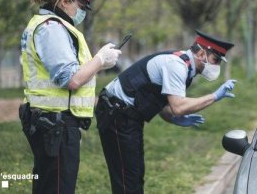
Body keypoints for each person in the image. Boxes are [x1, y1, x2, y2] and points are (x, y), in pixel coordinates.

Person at [95, 30, 237, 193]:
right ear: (201, 53)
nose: (217, 65)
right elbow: (178, 106)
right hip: (117, 114)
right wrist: (214, 96)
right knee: (128, 181)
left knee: (135, 176)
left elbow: (161, 103)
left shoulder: (186, 68)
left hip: (127, 117)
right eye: (216, 60)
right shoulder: (176, 65)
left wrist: (173, 118)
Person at [19, 0, 122, 194]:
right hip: (55, 124)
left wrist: (99, 64)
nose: (83, 12)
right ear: (65, 0)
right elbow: (70, 79)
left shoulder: (49, 25)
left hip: (52, 122)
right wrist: (100, 60)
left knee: (50, 186)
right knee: (57, 188)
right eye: (81, 5)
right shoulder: (52, 28)